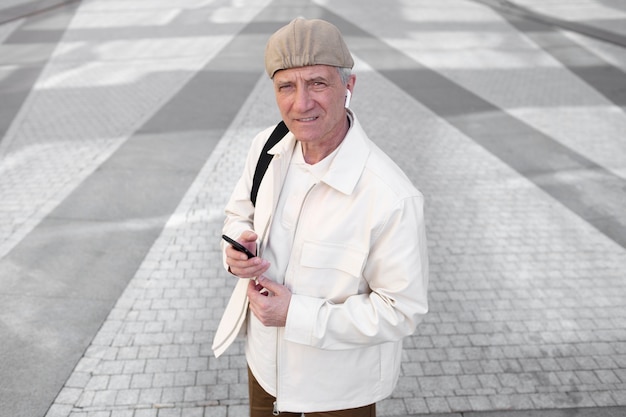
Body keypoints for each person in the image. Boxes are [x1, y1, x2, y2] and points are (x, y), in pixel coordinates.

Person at [212, 17, 428, 417]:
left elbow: (402, 311)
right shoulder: (267, 145)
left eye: (317, 83)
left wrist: (295, 314)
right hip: (263, 371)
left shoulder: (390, 195)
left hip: (335, 395)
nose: (301, 103)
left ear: (349, 86)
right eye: (286, 87)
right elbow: (238, 211)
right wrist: (238, 241)